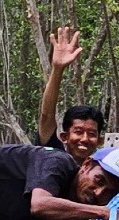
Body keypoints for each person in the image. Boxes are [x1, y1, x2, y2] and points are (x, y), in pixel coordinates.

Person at [36, 25, 104, 164]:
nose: (84, 139)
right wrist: (57, 69)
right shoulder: (54, 158)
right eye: (78, 132)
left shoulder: (101, 173)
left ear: (99, 141)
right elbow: (47, 116)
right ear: (64, 136)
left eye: (92, 134)